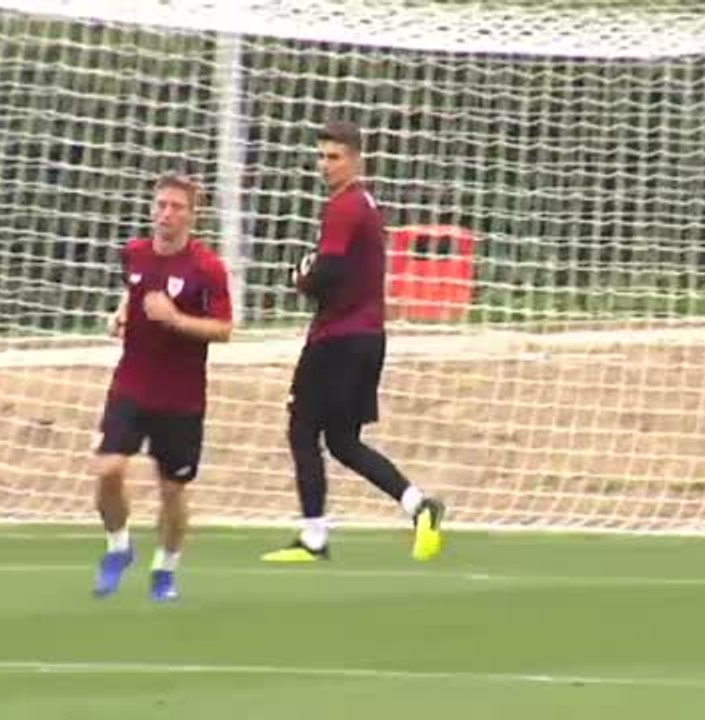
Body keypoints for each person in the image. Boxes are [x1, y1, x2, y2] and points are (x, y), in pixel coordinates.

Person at [262, 120, 445, 563]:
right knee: (343, 441)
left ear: (357, 159)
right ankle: (419, 506)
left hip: (337, 340)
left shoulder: (345, 206)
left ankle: (313, 537)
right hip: (367, 337)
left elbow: (329, 272)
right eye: (322, 156)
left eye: (335, 157)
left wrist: (301, 279)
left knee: (302, 428)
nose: (325, 165)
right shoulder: (365, 204)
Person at [93, 173, 233, 601]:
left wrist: (175, 319)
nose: (166, 214)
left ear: (193, 215)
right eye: (161, 205)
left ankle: (166, 568)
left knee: (172, 490)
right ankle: (119, 548)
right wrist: (121, 314)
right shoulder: (134, 254)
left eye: (176, 207)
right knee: (108, 471)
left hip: (182, 398)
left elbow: (224, 329)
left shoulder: (207, 268)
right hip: (131, 385)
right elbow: (133, 291)